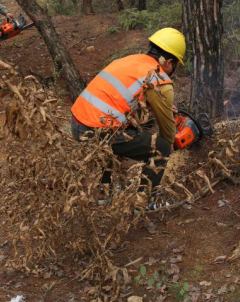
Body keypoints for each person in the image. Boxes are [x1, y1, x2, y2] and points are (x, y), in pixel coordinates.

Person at [70, 28, 185, 206]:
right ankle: (145, 202)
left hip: (78, 121)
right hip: (98, 131)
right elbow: (168, 133)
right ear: (169, 62)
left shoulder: (130, 60)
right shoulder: (160, 79)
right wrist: (167, 119)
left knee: (114, 135)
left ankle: (104, 194)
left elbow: (122, 100)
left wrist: (154, 107)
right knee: (161, 147)